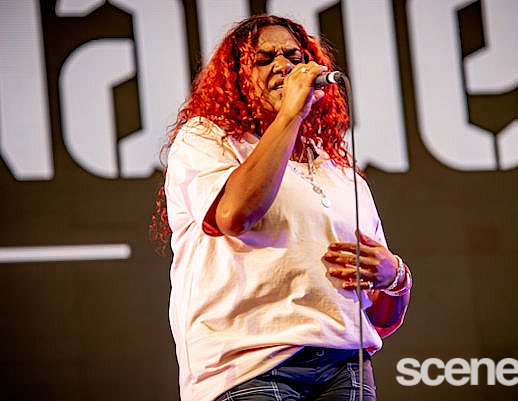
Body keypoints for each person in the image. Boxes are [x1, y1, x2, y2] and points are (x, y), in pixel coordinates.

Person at [151, 14, 412, 401]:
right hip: (249, 364)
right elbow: (234, 214)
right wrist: (292, 113)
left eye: (293, 56)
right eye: (264, 58)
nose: (283, 66)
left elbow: (380, 315)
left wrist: (395, 277)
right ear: (237, 76)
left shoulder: (341, 174)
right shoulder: (207, 140)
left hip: (345, 364)